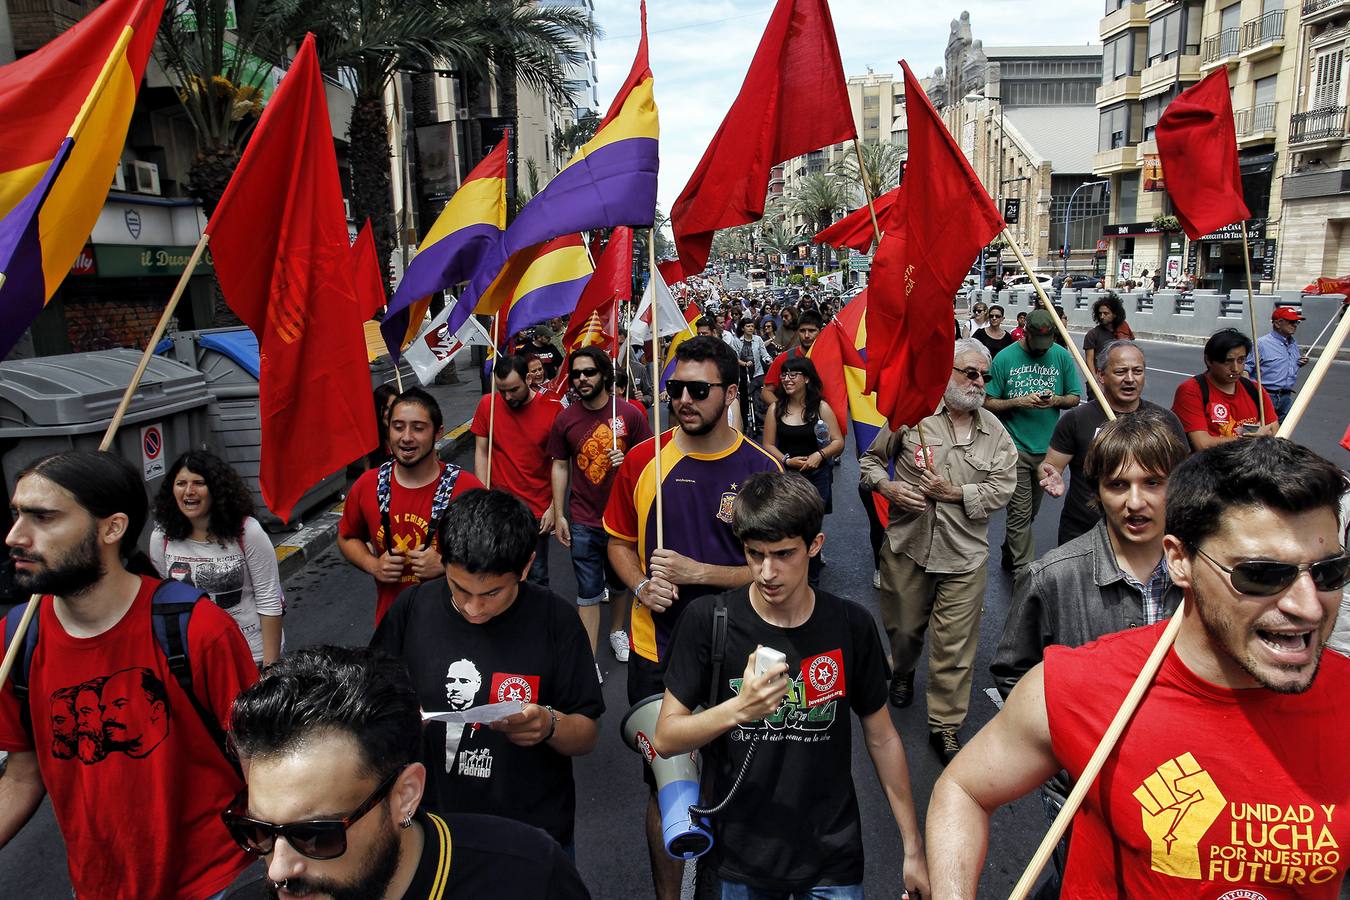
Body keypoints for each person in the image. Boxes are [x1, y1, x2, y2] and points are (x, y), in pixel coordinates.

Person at [926, 437, 1350, 897]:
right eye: (1263, 574)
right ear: (1180, 562)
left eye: (1329, 572)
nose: (1308, 607)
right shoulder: (1077, 684)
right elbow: (964, 792)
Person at [653, 472, 929, 898]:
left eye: (783, 554)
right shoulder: (709, 621)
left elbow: (883, 739)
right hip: (740, 860)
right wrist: (739, 710)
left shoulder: (850, 625)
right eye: (754, 554)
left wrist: (913, 847)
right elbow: (667, 738)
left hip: (831, 858)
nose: (767, 572)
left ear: (814, 546)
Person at [0, 450, 257, 899]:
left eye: (43, 517)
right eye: (17, 514)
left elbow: (261, 763)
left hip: (213, 882)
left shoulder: (199, 630)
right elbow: (23, 776)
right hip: (97, 887)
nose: (15, 536)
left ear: (112, 528)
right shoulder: (17, 637)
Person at [604, 335, 781, 900]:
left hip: (741, 658)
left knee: (737, 788)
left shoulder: (763, 467)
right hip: (658, 656)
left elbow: (779, 570)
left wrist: (700, 574)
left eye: (698, 389)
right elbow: (616, 542)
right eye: (675, 388)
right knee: (670, 794)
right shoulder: (642, 461)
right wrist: (640, 585)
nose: (683, 398)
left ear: (730, 394)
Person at [224, 645, 590, 899]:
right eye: (258, 832)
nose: (276, 872)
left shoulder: (528, 877)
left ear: (405, 795)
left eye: (316, 835)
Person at [371, 489, 604, 854]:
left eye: (492, 594)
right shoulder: (413, 608)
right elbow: (370, 702)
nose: (473, 608)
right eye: (459, 589)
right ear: (443, 561)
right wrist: (395, 721)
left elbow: (587, 733)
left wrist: (549, 725)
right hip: (430, 831)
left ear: (526, 567)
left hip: (531, 836)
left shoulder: (556, 621)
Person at [860, 340, 1018, 764]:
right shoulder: (913, 417)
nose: (978, 382)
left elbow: (1003, 486)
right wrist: (887, 486)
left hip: (964, 557)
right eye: (969, 372)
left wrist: (956, 494)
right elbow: (870, 462)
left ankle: (945, 725)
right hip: (908, 548)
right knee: (906, 630)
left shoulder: (996, 434)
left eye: (983, 375)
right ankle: (904, 669)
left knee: (956, 647)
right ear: (945, 373)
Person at [994, 412, 1190, 695]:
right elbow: (1014, 677)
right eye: (1118, 485)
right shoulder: (1050, 578)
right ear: (1097, 490)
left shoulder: (1202, 572)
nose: (1135, 502)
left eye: (1152, 482)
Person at [340, 388, 483, 626]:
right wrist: (373, 565)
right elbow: (347, 537)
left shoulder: (467, 488)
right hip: (391, 629)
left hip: (457, 629)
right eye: (398, 427)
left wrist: (447, 564)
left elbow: (495, 556)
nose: (406, 437)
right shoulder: (367, 485)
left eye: (418, 428)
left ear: (438, 432)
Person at [547, 347, 653, 668]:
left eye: (589, 372)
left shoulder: (630, 414)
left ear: (605, 375)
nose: (582, 379)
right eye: (576, 373)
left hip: (622, 520)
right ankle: (587, 660)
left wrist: (628, 461)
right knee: (588, 590)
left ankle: (617, 630)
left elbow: (649, 461)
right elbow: (560, 466)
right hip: (583, 519)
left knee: (620, 583)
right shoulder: (565, 420)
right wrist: (559, 512)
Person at [1038, 340, 1188, 545]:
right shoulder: (1076, 419)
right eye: (1120, 372)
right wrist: (1050, 475)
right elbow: (1051, 465)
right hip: (1084, 532)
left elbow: (1183, 473)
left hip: (1145, 532)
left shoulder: (1165, 421)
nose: (1130, 379)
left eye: (1137, 371)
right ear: (1101, 376)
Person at [151, 449, 284, 666]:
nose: (189, 491)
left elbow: (270, 601)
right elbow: (163, 601)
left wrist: (271, 670)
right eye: (181, 483)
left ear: (217, 491)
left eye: (199, 483)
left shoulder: (247, 532)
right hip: (193, 659)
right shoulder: (161, 537)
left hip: (250, 656)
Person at [984, 309, 1082, 575]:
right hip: (1014, 448)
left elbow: (1074, 396)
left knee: (1029, 514)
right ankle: (1023, 573)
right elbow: (987, 402)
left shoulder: (1060, 356)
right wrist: (1017, 402)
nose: (1041, 351)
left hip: (1049, 451)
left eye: (1045, 345)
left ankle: (1010, 550)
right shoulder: (1004, 358)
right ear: (1024, 332)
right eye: (1036, 345)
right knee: (1019, 513)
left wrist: (1056, 400)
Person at [472, 355, 563, 585]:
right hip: (498, 507)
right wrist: (483, 494)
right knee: (498, 572)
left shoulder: (552, 410)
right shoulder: (487, 405)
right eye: (502, 390)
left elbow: (560, 463)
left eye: (513, 389)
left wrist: (555, 507)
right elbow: (482, 452)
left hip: (537, 510)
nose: (507, 396)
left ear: (529, 378)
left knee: (536, 574)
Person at [762, 356, 844, 587]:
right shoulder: (775, 409)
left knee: (810, 530)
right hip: (788, 479)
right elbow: (768, 444)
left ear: (806, 378)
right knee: (788, 529)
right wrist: (787, 461)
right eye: (784, 374)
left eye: (793, 374)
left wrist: (820, 455)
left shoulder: (821, 408)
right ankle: (788, 579)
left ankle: (812, 584)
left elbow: (837, 441)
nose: (787, 379)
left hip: (817, 477)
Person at [1171, 328, 1278, 451]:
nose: (1236, 368)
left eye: (1241, 360)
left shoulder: (1254, 389)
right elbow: (1202, 444)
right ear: (1208, 360)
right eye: (1228, 361)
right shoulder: (1191, 391)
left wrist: (1264, 435)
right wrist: (1250, 440)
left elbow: (1273, 428)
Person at [1247, 306, 1309, 421]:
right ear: (1278, 323)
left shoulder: (1293, 343)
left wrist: (1298, 363)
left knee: (1283, 433)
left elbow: (1284, 364)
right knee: (1262, 434)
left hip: (1285, 397)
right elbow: (1245, 370)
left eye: (1296, 322)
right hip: (1265, 395)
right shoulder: (1260, 344)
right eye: (1291, 322)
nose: (1295, 325)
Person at [760, 309, 823, 404]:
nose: (806, 335)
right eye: (802, 331)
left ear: (820, 331)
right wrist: (784, 411)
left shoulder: (831, 357)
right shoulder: (784, 358)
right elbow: (766, 392)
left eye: (811, 331)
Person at [1081, 293, 1134, 374]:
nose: (1102, 316)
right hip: (1099, 379)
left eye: (1106, 313)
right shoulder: (1092, 334)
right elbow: (1089, 361)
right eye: (1100, 313)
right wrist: (1095, 381)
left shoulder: (1123, 331)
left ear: (1115, 314)